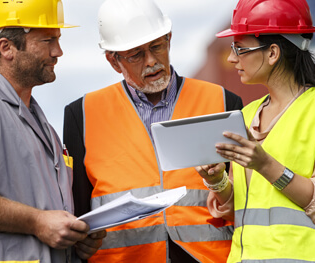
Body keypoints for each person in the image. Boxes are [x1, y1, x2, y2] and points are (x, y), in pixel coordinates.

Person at [63, 0, 243, 262]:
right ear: (114, 61)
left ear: (169, 39)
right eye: (136, 54)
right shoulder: (82, 114)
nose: (151, 61)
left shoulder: (225, 103)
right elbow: (78, 209)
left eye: (157, 46)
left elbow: (249, 200)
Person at [195, 0, 315, 262]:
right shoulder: (245, 115)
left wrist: (266, 165)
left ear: (273, 53)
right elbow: (244, 209)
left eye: (239, 48)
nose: (231, 58)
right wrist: (217, 181)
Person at [0, 0, 107, 262]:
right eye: (48, 40)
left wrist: (74, 238)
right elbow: (42, 220)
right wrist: (37, 222)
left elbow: (49, 213)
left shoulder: (41, 122)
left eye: (57, 40)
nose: (58, 52)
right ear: (6, 48)